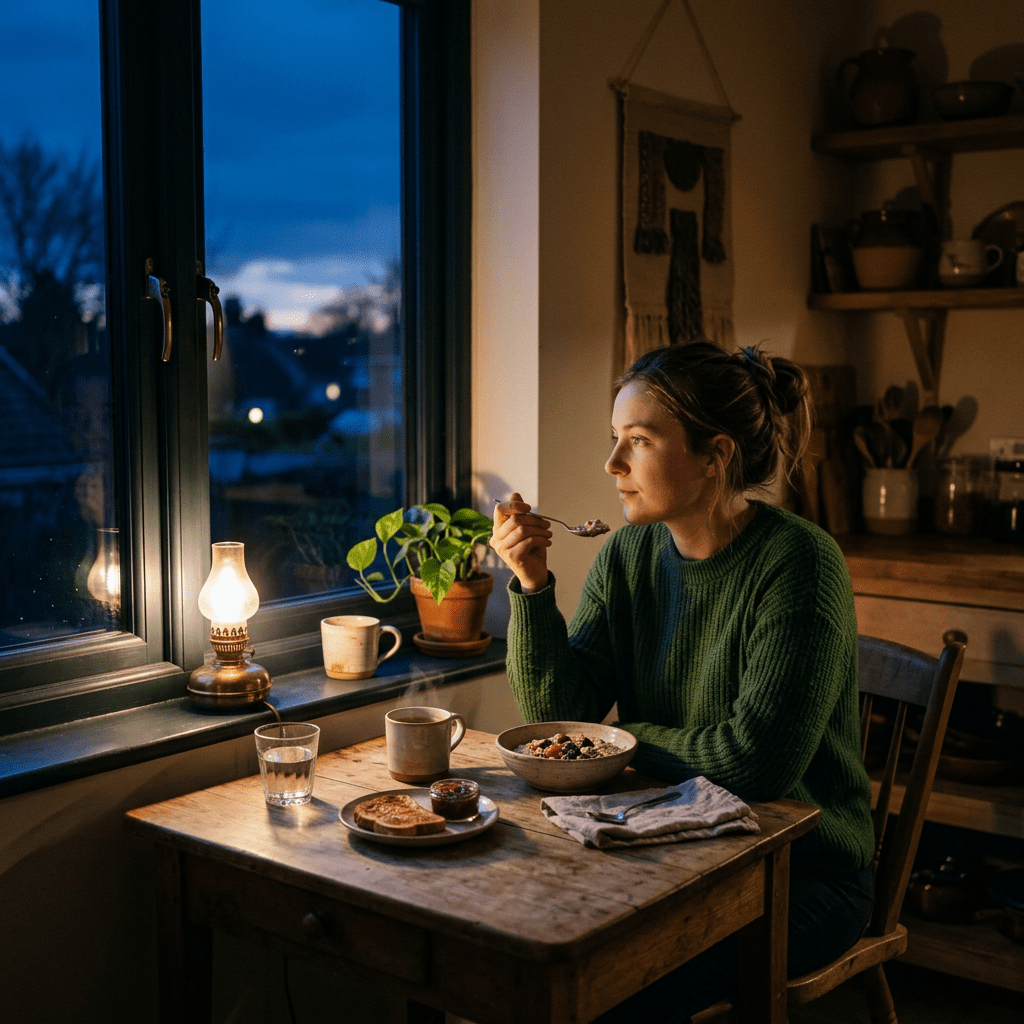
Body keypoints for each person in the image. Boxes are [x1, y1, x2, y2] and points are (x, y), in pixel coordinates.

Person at [489, 341, 875, 1022]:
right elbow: (559, 718)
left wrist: (619, 740)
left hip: (802, 873)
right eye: (615, 440)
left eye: (637, 441)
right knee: (522, 950)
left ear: (714, 456)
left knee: (619, 985)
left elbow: (755, 762)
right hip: (670, 848)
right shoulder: (627, 555)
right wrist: (531, 585)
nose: (611, 465)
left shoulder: (800, 565)